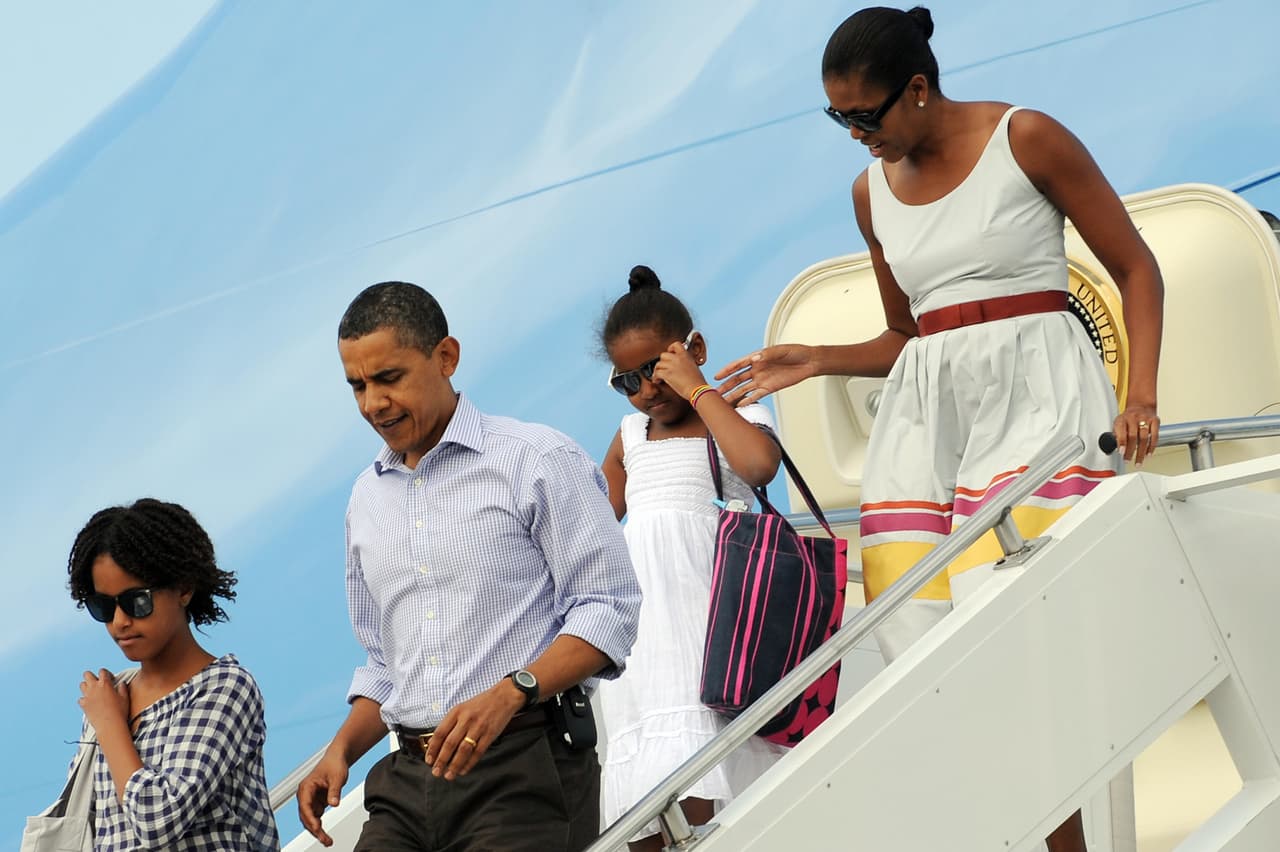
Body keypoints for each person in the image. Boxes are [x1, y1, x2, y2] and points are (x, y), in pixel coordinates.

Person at [716, 7, 1164, 851]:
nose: (856, 136)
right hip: (927, 422)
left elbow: (1136, 266)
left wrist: (1139, 394)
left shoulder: (1025, 138)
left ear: (917, 88)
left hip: (1036, 394)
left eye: (865, 115)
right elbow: (906, 335)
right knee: (935, 643)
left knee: (1028, 624)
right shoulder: (870, 194)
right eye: (839, 119)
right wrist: (818, 358)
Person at [297, 281, 642, 852]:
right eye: (357, 385)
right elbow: (386, 664)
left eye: (388, 378)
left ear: (446, 357)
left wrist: (513, 691)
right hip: (406, 781)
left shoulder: (537, 458)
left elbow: (609, 610)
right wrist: (339, 752)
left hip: (523, 767)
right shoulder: (365, 499)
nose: (372, 403)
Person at [596, 266, 787, 851]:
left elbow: (759, 467)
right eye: (627, 381)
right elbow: (593, 527)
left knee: (706, 779)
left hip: (709, 622)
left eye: (656, 369)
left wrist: (700, 389)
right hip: (643, 638)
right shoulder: (631, 435)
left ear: (694, 350)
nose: (646, 390)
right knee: (643, 802)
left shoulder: (738, 412)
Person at [65, 498, 280, 851]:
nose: (120, 621)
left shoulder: (224, 688)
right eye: (103, 606)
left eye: (137, 601)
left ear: (183, 588)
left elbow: (157, 820)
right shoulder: (111, 696)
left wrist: (111, 725)